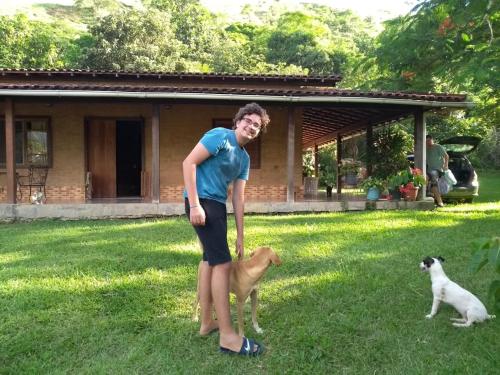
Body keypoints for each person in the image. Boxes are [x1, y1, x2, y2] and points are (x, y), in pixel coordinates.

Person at [182, 102, 270, 356]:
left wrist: (241, 235)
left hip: (217, 205)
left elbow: (238, 198)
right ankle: (228, 337)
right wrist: (195, 205)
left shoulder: (244, 158)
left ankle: (207, 322)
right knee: (222, 264)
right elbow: (188, 163)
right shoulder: (220, 136)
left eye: (257, 126)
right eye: (249, 121)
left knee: (210, 260)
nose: (252, 127)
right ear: (238, 121)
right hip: (202, 202)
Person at [426, 134, 449, 207]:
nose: (428, 142)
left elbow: (446, 156)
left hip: (438, 170)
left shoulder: (437, 147)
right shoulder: (425, 148)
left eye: (429, 140)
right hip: (429, 170)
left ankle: (429, 192)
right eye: (426, 141)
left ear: (432, 140)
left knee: (433, 180)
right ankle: (439, 202)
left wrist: (446, 165)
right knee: (430, 182)